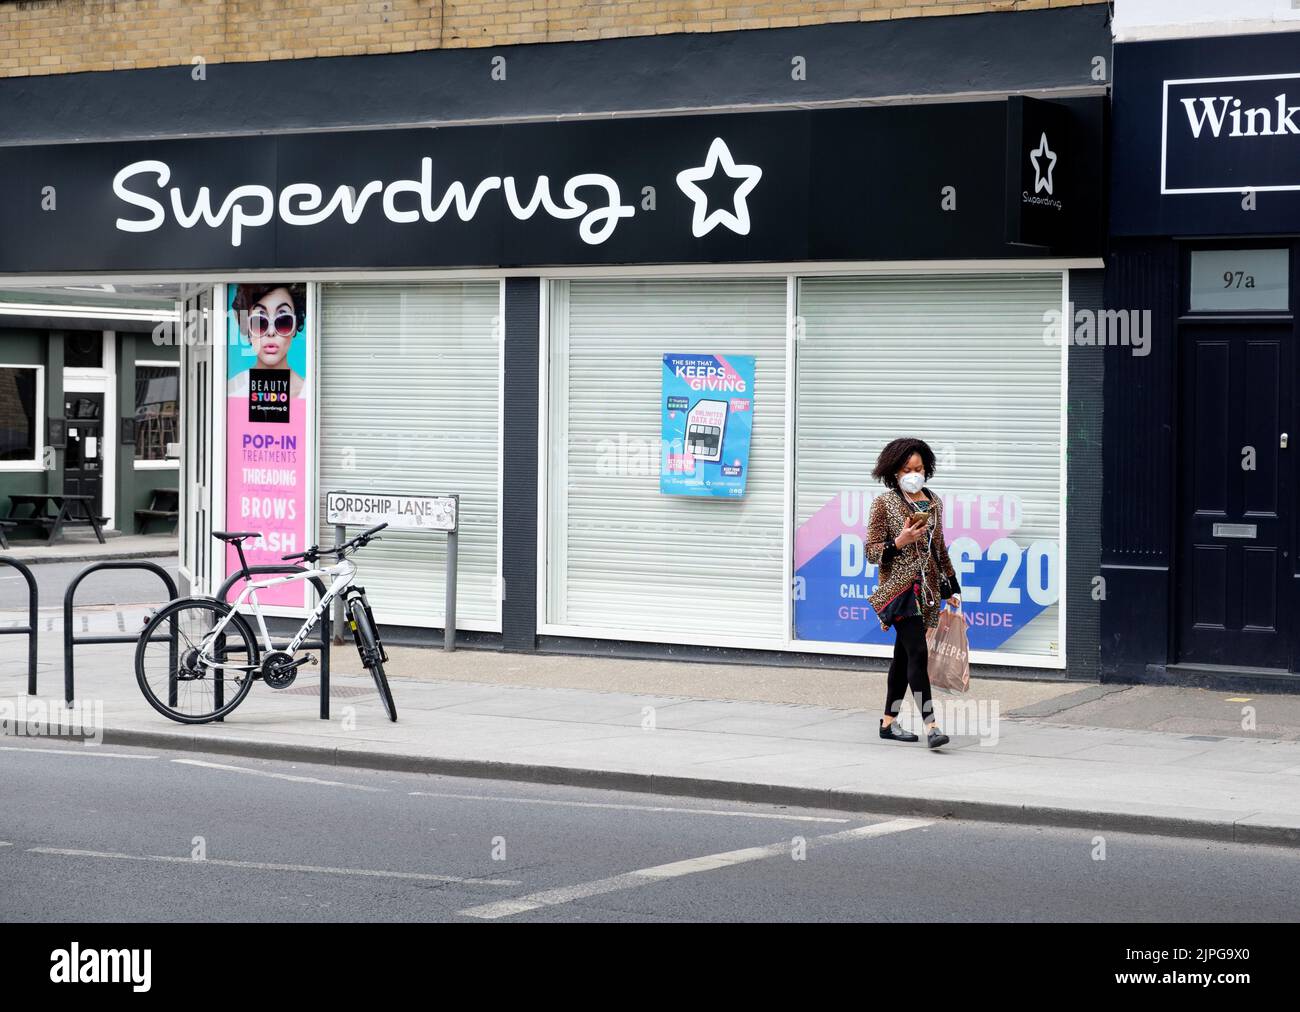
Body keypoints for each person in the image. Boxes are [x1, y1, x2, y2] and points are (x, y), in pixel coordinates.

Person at [865, 437, 961, 749]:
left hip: (928, 590)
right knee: (918, 653)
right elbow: (870, 551)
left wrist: (951, 583)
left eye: (918, 468)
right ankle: (932, 726)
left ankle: (888, 723)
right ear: (894, 471)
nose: (913, 474)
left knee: (903, 656)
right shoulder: (884, 503)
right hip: (900, 591)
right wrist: (900, 541)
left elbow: (939, 545)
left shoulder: (933, 501)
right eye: (907, 468)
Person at [227, 283, 308, 399]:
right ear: (247, 329)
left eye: (283, 321)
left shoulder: (309, 395)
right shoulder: (231, 392)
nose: (271, 332)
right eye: (259, 321)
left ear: (295, 327)